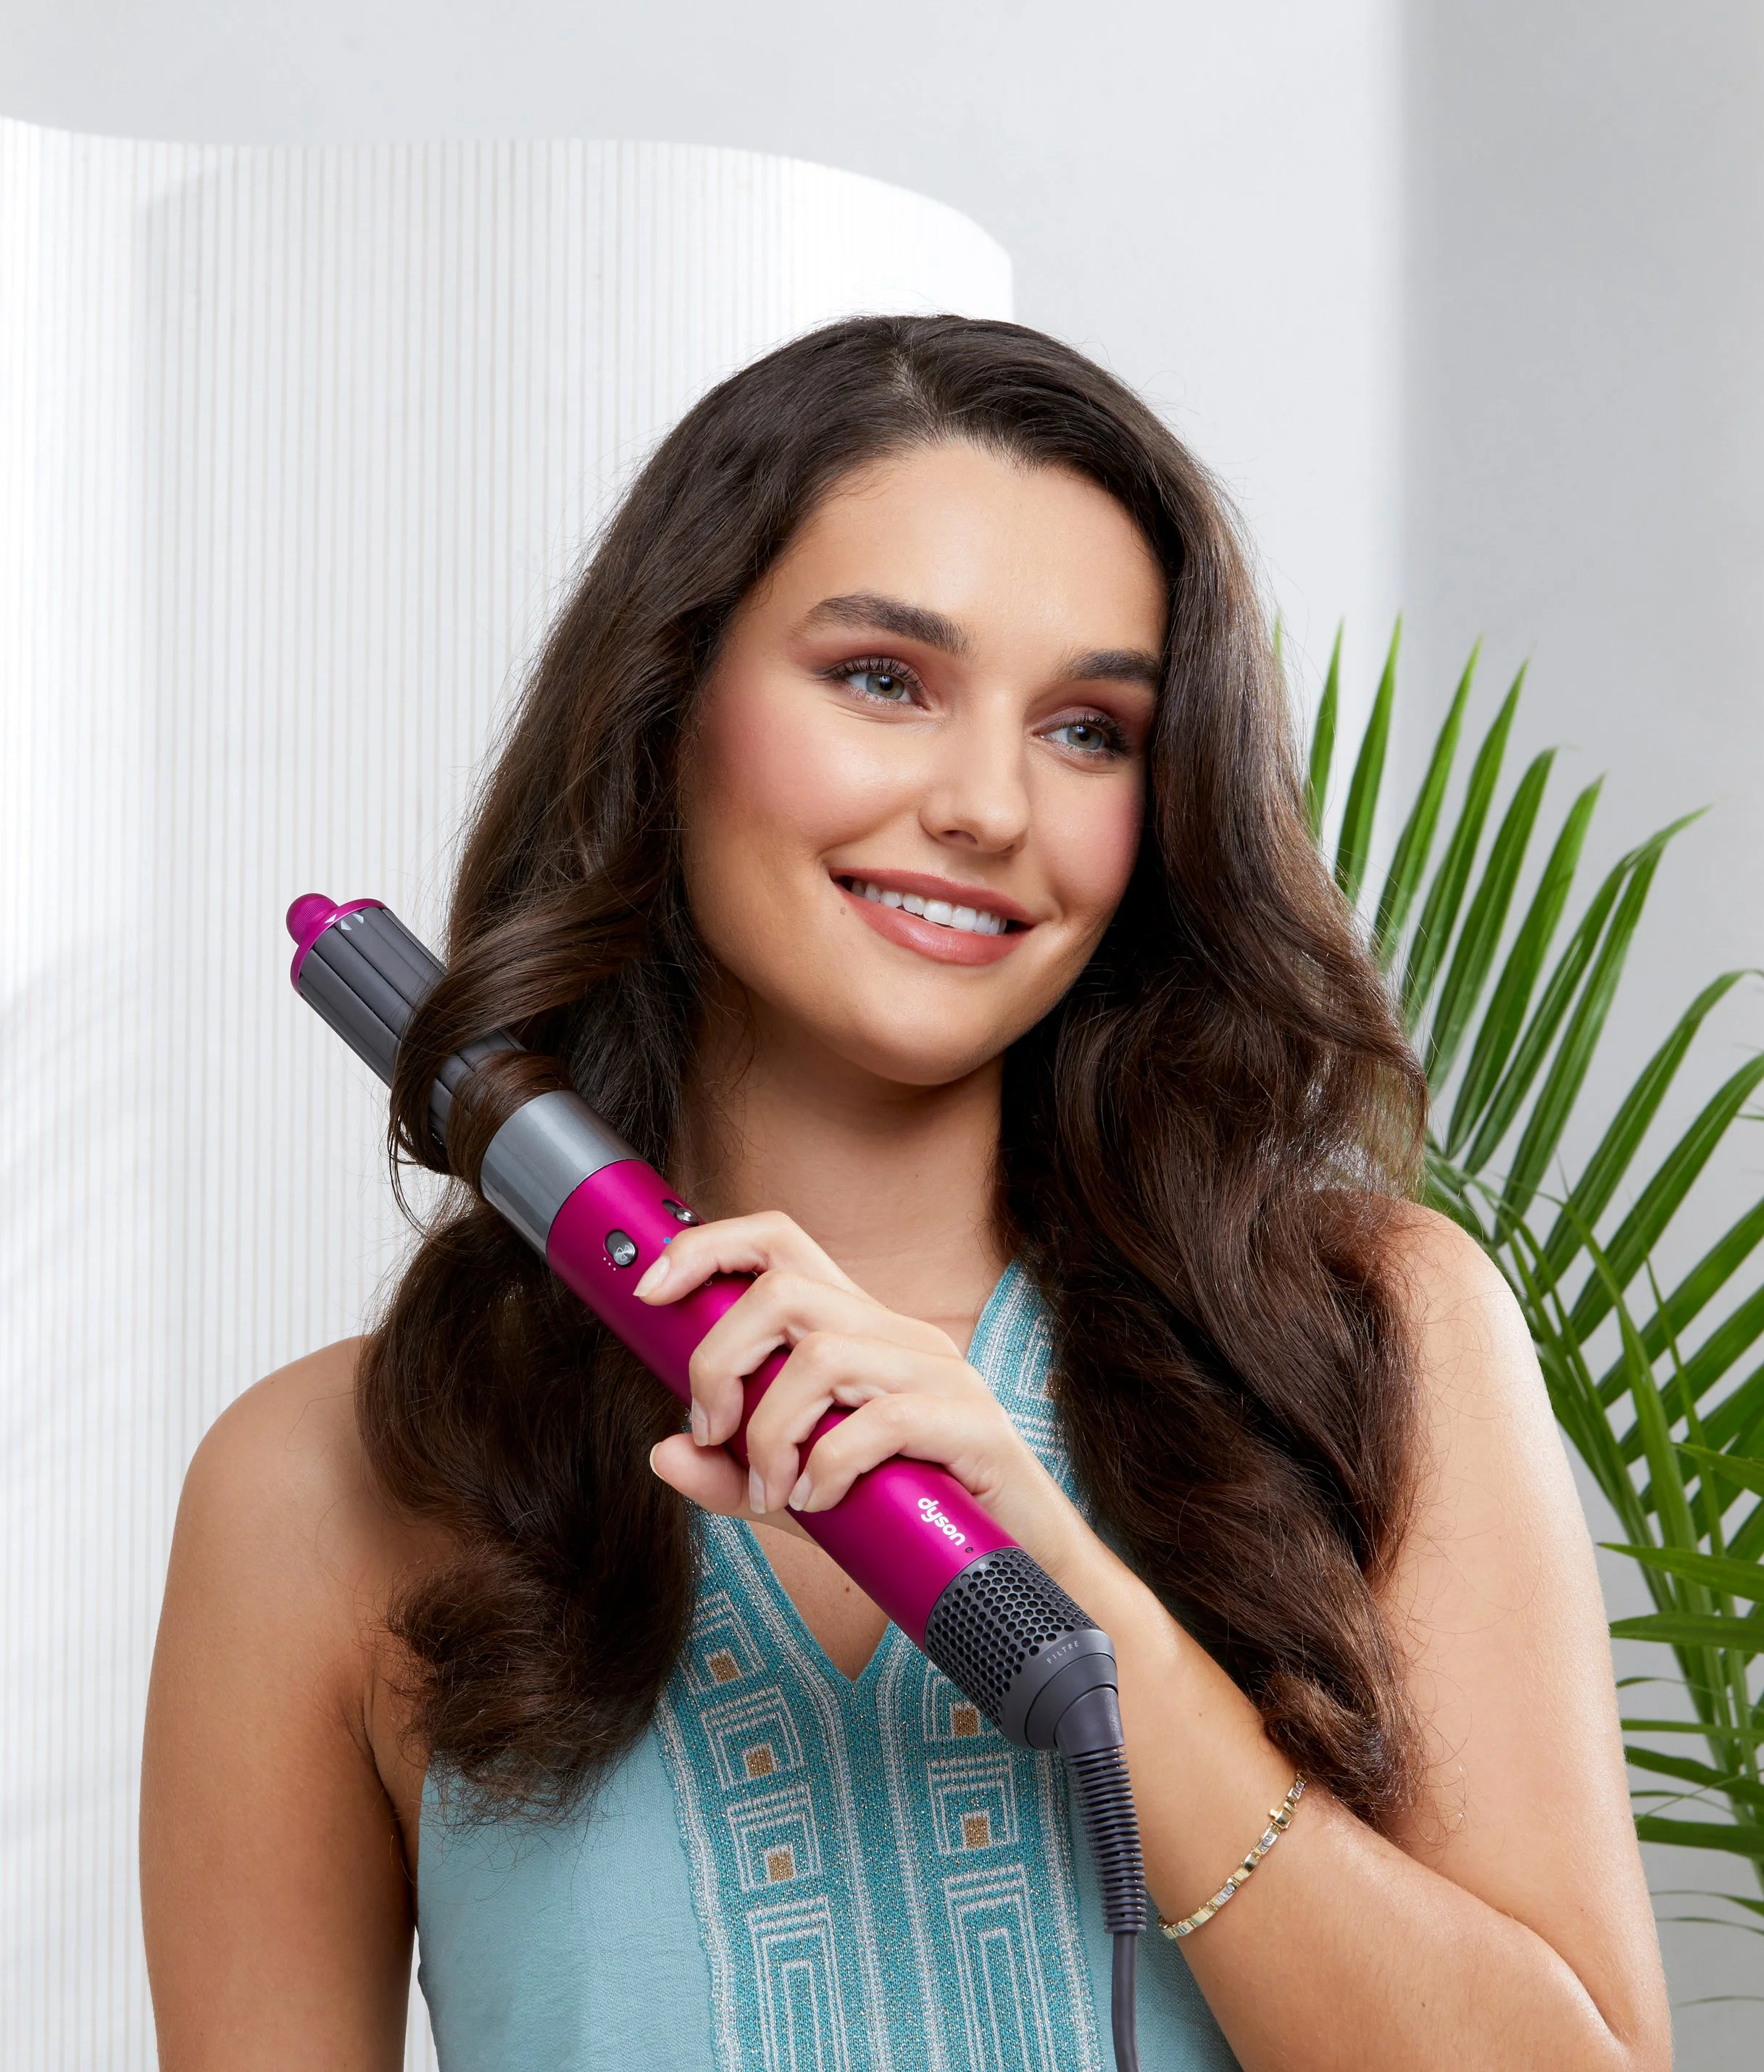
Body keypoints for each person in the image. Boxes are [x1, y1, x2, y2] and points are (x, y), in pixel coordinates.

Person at [141, 316, 1669, 2072]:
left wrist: (1089, 1621)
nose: (984, 805)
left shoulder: (1366, 1334)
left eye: (1090, 729)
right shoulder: (319, 1487)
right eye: (882, 678)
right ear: (668, 706)